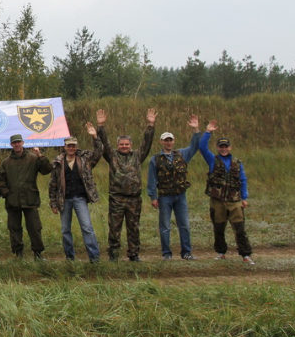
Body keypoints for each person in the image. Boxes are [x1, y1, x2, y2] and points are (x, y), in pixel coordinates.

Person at [97, 108, 156, 262]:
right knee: (114, 228)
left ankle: (134, 254)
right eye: (121, 144)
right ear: (118, 145)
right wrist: (101, 127)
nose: (124, 146)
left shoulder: (137, 156)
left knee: (134, 228)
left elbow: (147, 143)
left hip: (134, 199)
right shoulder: (112, 156)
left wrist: (150, 125)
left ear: (131, 145)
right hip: (117, 198)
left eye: (126, 144)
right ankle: (114, 255)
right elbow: (104, 144)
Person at [146, 115, 202, 261]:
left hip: (180, 196)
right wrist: (153, 197)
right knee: (165, 226)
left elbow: (195, 146)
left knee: (184, 225)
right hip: (164, 197)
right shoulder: (155, 159)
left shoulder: (182, 154)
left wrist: (196, 130)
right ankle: (166, 254)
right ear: (161, 142)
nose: (168, 142)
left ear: (173, 141)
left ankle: (186, 252)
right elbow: (152, 179)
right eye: (166, 140)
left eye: (170, 140)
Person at [199, 121, 254, 264]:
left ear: (230, 147)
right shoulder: (212, 160)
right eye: (221, 146)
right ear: (217, 148)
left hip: (235, 201)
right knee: (218, 228)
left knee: (240, 229)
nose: (224, 149)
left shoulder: (237, 162)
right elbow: (202, 147)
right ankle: (221, 252)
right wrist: (208, 132)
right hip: (218, 201)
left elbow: (243, 179)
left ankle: (245, 255)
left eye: (226, 146)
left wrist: (244, 197)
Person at [49, 124, 103, 263]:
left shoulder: (84, 159)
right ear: (65, 147)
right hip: (64, 200)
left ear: (76, 146)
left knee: (87, 227)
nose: (71, 148)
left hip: (80, 198)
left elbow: (98, 153)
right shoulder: (58, 162)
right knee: (65, 230)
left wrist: (95, 137)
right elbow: (53, 184)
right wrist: (53, 203)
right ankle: (70, 258)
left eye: (73, 145)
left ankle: (94, 257)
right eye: (69, 146)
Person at [0, 134, 52, 260]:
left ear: (22, 143)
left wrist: (41, 156)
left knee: (35, 228)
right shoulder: (6, 162)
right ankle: (18, 254)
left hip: (30, 199)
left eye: (19, 142)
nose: (17, 145)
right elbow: (0, 180)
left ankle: (38, 254)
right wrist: (6, 193)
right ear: (11, 145)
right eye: (14, 143)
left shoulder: (33, 158)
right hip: (13, 201)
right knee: (14, 228)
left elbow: (47, 170)